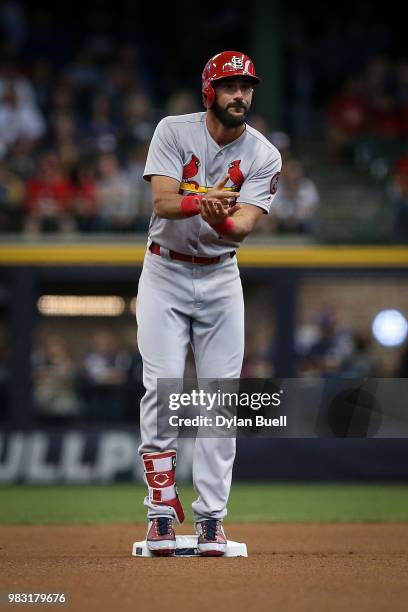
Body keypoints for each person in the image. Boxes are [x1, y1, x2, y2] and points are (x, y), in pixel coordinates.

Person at [137, 50, 282, 556]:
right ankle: (160, 512)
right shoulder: (173, 131)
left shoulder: (264, 154)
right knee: (162, 389)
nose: (240, 95)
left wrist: (219, 216)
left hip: (221, 276)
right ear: (209, 92)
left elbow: (241, 228)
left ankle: (211, 521)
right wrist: (204, 201)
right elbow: (162, 201)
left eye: (246, 87)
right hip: (165, 270)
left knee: (221, 401)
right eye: (230, 86)